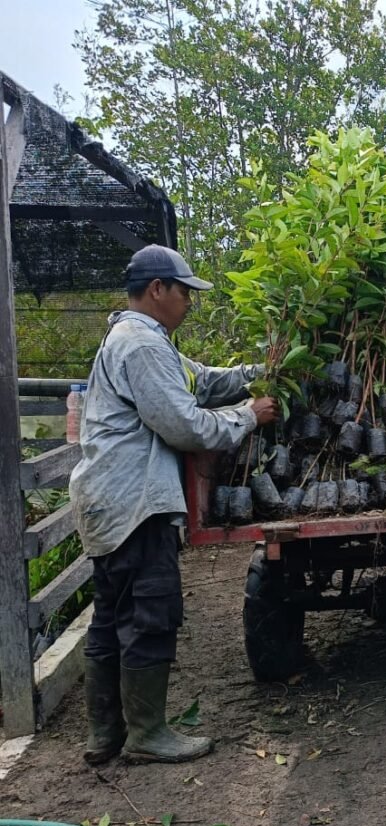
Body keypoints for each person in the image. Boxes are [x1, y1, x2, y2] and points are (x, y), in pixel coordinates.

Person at [70, 245, 279, 765]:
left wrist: (262, 368)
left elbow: (202, 382)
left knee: (111, 615)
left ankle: (106, 736)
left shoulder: (147, 342)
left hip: (114, 501)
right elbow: (186, 425)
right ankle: (147, 734)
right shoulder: (140, 345)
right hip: (134, 502)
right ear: (157, 289)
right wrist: (249, 416)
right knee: (150, 613)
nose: (190, 301)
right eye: (185, 291)